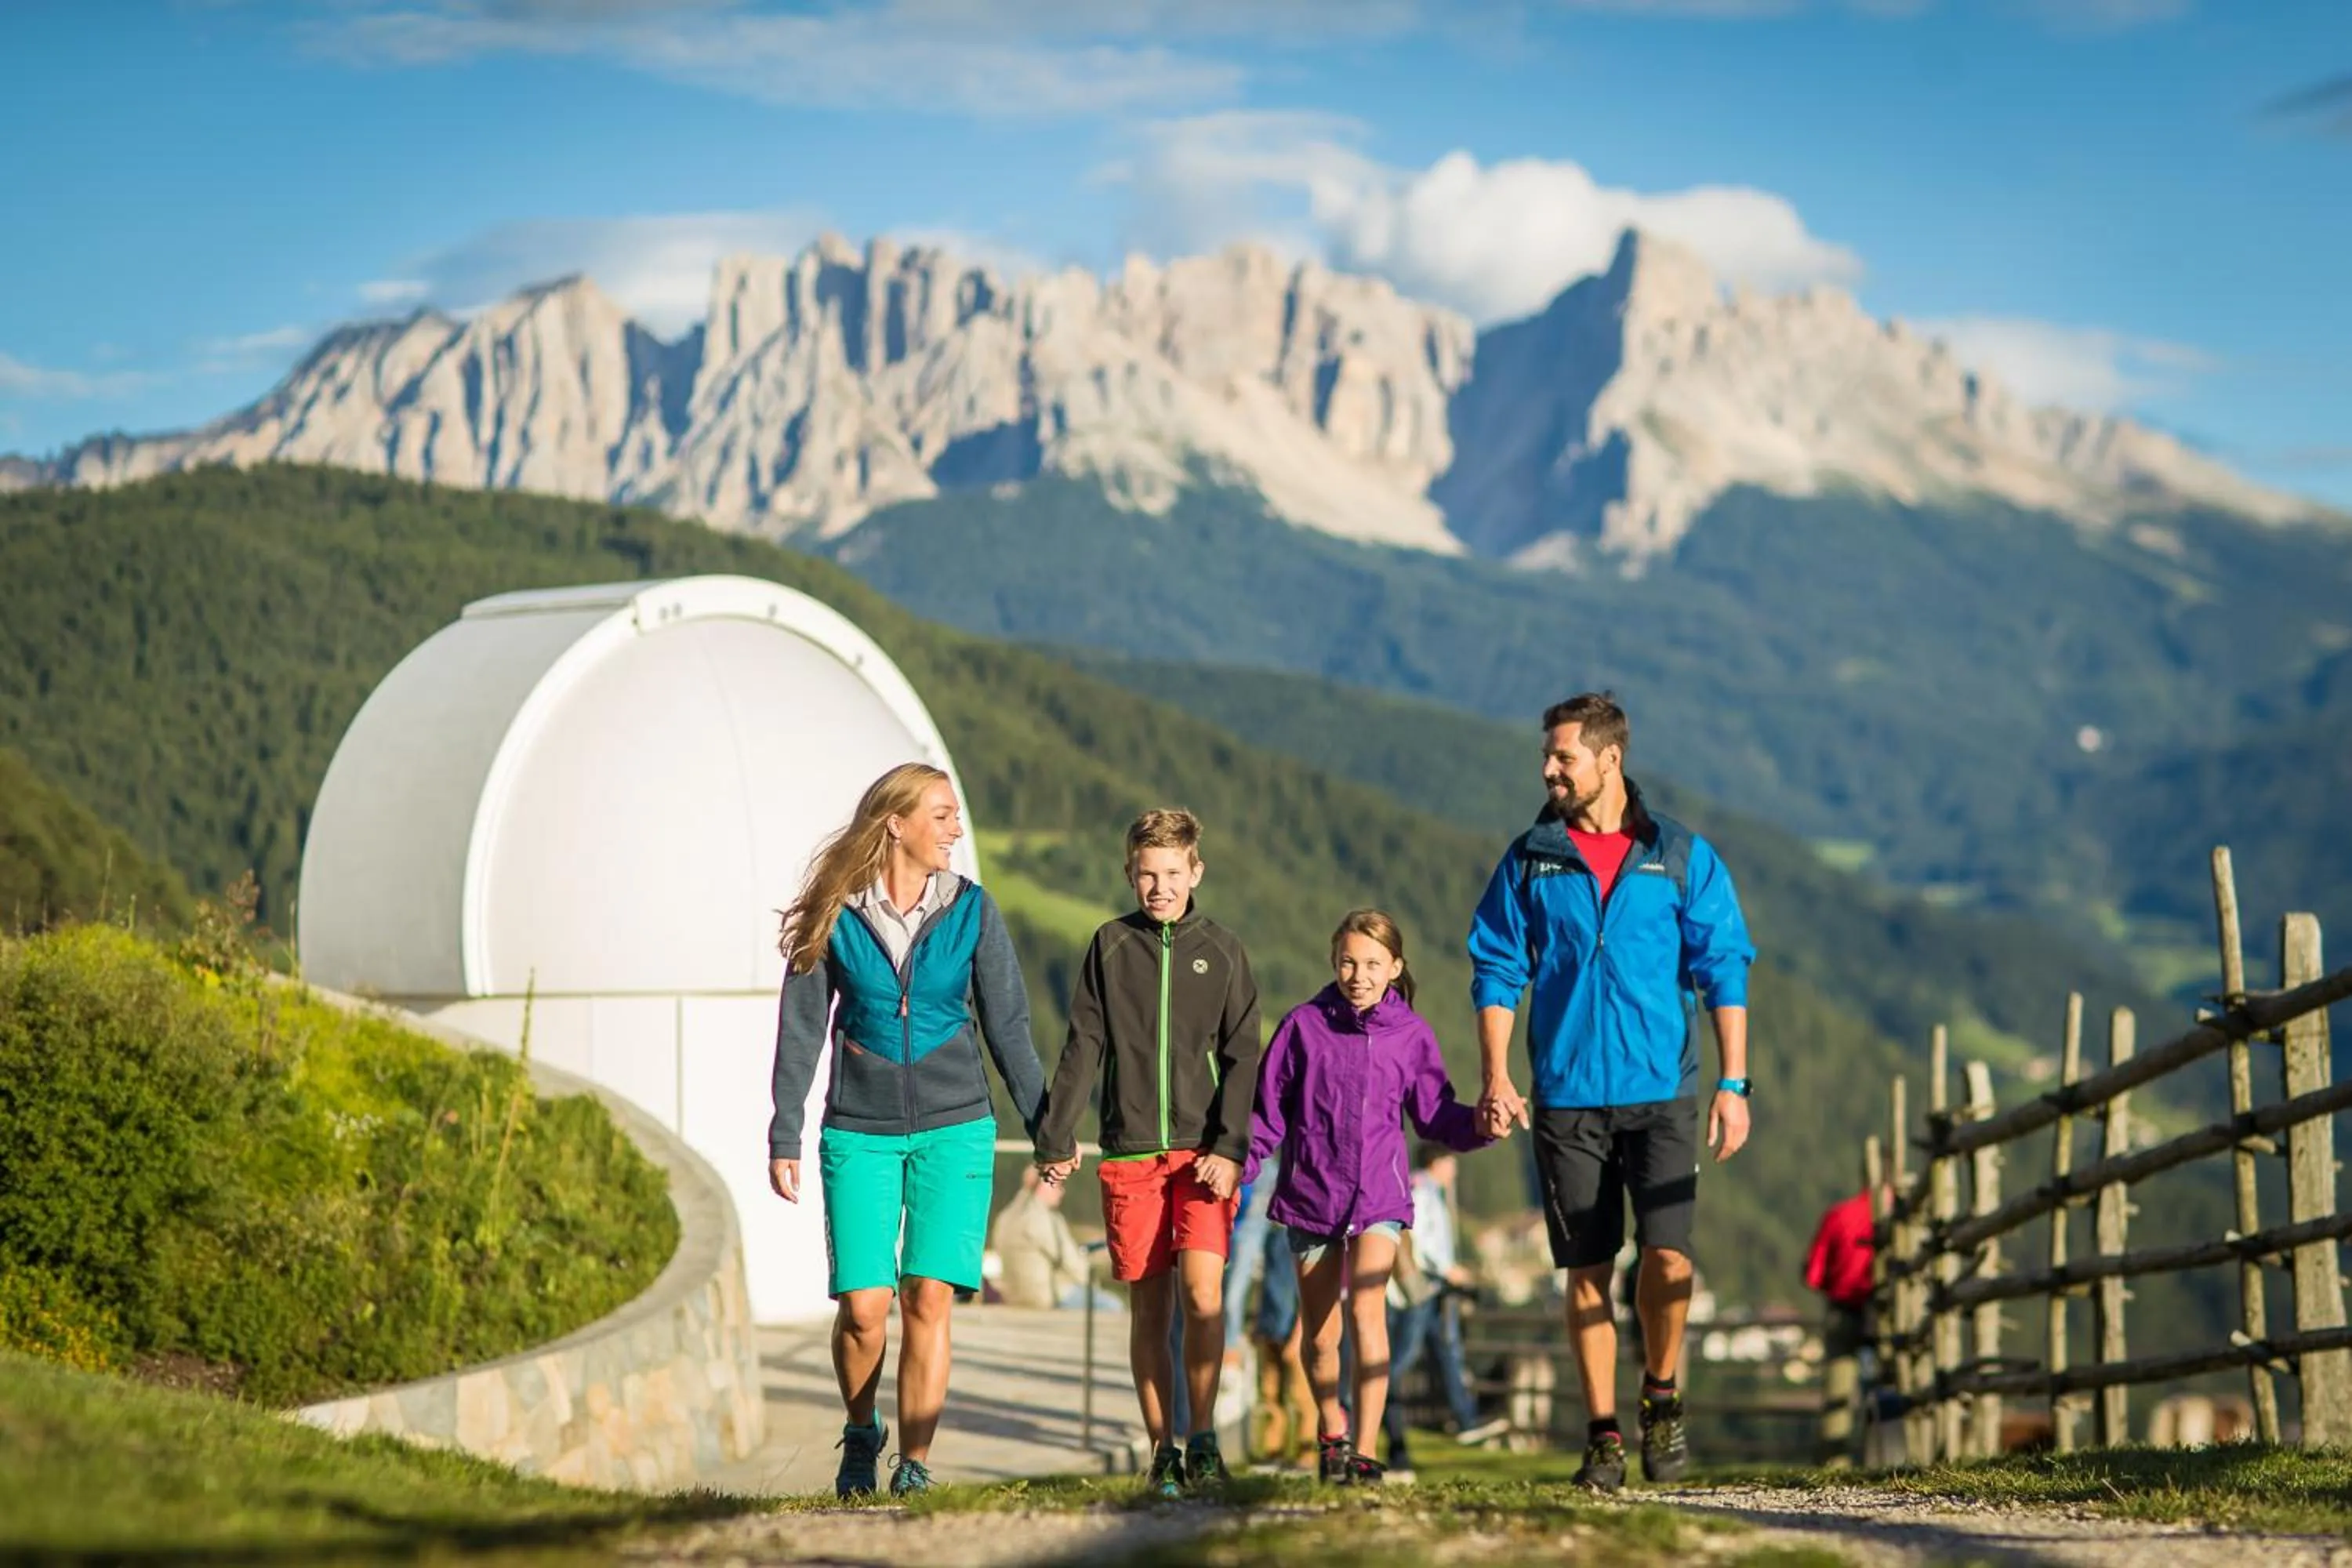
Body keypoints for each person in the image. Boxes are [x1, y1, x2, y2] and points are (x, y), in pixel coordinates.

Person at [1468, 691, 1755, 1494]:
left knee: (1668, 1257)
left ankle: (1660, 1392)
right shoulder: (1531, 857)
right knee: (1586, 1268)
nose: (1548, 768)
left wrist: (1734, 1081)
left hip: (1663, 1090)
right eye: (1547, 755)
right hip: (1565, 1095)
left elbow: (1723, 966)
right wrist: (1496, 1074)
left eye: (1563, 755)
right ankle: (1603, 1433)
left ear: (1610, 759)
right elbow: (1496, 966)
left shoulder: (1680, 855)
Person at [767, 763, 1047, 1500]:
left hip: (957, 1126)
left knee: (928, 1295)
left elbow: (1009, 1026)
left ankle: (915, 1463)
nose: (957, 828)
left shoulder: (973, 911)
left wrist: (1046, 1124)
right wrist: (783, 1131)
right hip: (858, 1129)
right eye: (944, 814)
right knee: (864, 1308)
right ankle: (864, 1430)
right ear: (897, 823)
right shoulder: (837, 912)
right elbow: (801, 1031)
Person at [1034, 808, 1264, 1498]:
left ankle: (1205, 1437)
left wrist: (1230, 1146)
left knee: (1203, 1294)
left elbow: (1243, 1056)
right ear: (1129, 874)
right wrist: (1056, 1133)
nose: (1158, 887)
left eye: (1171, 874)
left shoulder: (1223, 951)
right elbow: (1083, 1047)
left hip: (1203, 1156)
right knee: (1151, 1307)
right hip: (1130, 1151)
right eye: (1145, 875)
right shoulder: (1109, 946)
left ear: (1196, 871)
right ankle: (1162, 1448)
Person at [1247, 909, 1495, 1486]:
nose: (1358, 975)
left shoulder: (1411, 1035)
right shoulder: (1302, 1027)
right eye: (1349, 962)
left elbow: (1435, 1115)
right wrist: (1239, 1169)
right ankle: (1331, 1431)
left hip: (1380, 1198)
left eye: (1372, 965)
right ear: (1334, 961)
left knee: (1367, 1310)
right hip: (1311, 1197)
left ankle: (1362, 1450)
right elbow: (1266, 1116)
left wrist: (1484, 1125)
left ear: (1395, 968)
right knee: (1322, 1335)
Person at [1380, 1145, 1490, 1475]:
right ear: (1438, 1162)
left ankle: (1465, 1418)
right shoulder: (1422, 1192)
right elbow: (1417, 1238)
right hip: (1423, 1287)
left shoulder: (1428, 1191)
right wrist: (1447, 1269)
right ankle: (1371, 1406)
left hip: (1429, 1287)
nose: (1454, 1170)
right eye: (1451, 1162)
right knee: (1403, 1359)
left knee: (1444, 1349)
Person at [1804, 1185, 1881, 1466]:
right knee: (1891, 1387)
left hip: (1843, 1311)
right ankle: (1889, 1460)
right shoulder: (1901, 1219)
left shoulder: (1840, 1215)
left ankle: (1835, 1466)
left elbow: (1814, 1275)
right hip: (1886, 1314)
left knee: (1838, 1392)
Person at [989, 1164, 1102, 1310]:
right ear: (1045, 1184)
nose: (1062, 1192)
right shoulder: (1043, 1218)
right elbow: (1071, 1262)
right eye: (1059, 1185)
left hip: (1013, 1297)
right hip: (1047, 1297)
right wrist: (1094, 1284)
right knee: (1113, 1305)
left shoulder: (1006, 1216)